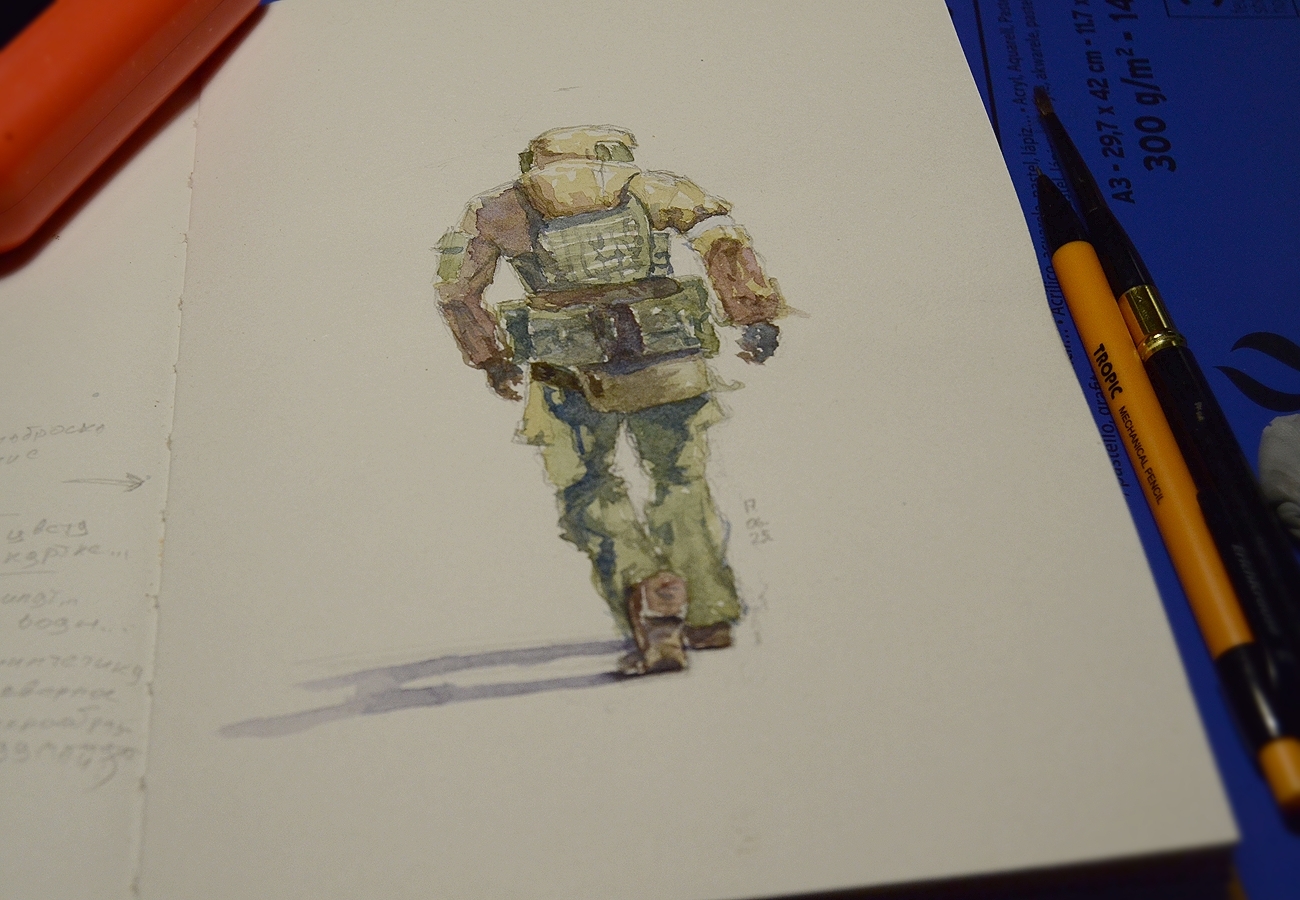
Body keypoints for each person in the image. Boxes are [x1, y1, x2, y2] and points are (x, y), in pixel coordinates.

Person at [434, 125, 785, 675]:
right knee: (681, 481)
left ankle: (648, 590)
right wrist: (753, 314)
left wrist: (490, 357)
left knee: (587, 487)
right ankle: (709, 613)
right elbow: (723, 240)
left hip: (565, 370)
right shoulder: (653, 187)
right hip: (668, 359)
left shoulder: (500, 208)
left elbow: (457, 290)